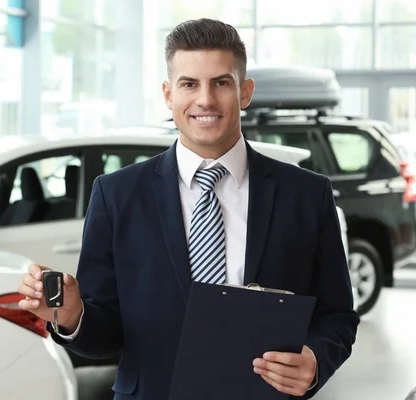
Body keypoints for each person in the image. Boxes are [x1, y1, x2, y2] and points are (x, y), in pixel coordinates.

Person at [18, 18, 359, 399]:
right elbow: (107, 334)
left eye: (221, 83)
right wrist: (72, 316)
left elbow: (337, 316)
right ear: (168, 94)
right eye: (189, 84)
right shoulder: (117, 195)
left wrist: (314, 361)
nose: (206, 100)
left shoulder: (307, 195)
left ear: (245, 92)